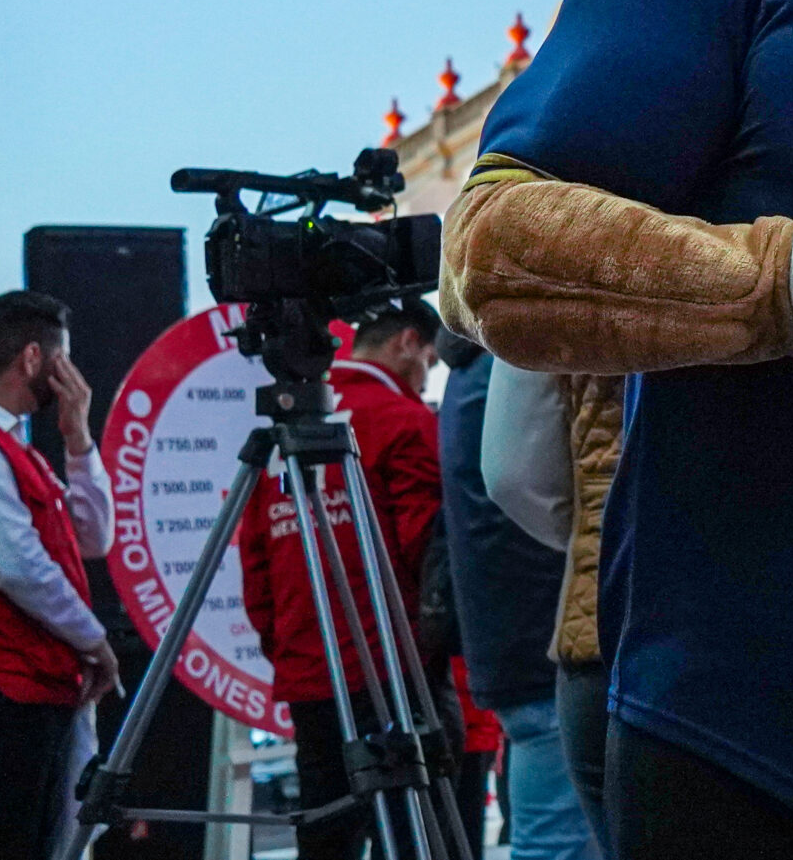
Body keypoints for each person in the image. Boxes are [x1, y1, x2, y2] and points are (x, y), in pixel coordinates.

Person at [236, 298, 445, 860]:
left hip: (310, 665)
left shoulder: (286, 431)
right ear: (408, 342)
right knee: (414, 831)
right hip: (394, 667)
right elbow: (426, 552)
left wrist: (286, 647)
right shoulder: (403, 420)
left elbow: (254, 562)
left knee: (326, 831)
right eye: (429, 360)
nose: (426, 376)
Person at [434, 333, 596, 859]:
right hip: (548, 629)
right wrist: (586, 546)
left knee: (549, 837)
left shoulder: (466, 371)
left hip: (508, 632)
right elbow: (513, 480)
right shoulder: (517, 354)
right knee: (561, 842)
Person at [0, 291, 119, 858]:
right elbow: (15, 563)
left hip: (43, 689)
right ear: (34, 359)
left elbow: (94, 537)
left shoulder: (20, 452)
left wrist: (78, 438)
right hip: (3, 694)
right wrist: (95, 640)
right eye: (65, 360)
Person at [480, 364, 621, 850]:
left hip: (602, 625)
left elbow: (511, 474)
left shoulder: (544, 308)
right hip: (775, 631)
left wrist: (591, 540)